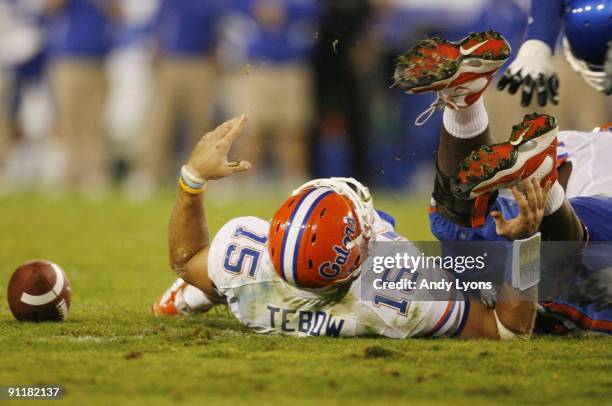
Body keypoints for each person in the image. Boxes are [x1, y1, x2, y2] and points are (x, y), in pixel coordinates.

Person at [150, 114, 553, 340]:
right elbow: (509, 330)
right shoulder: (400, 297)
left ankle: (199, 293)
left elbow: (185, 258)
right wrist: (525, 242)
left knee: (218, 272)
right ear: (364, 258)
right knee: (474, 268)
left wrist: (192, 180)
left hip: (264, 293)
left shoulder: (246, 256)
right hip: (365, 296)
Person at [394, 30, 612, 334]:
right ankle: (543, 186)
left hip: (563, 162)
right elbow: (514, 326)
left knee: (459, 228)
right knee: (564, 268)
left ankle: (464, 101)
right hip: (584, 189)